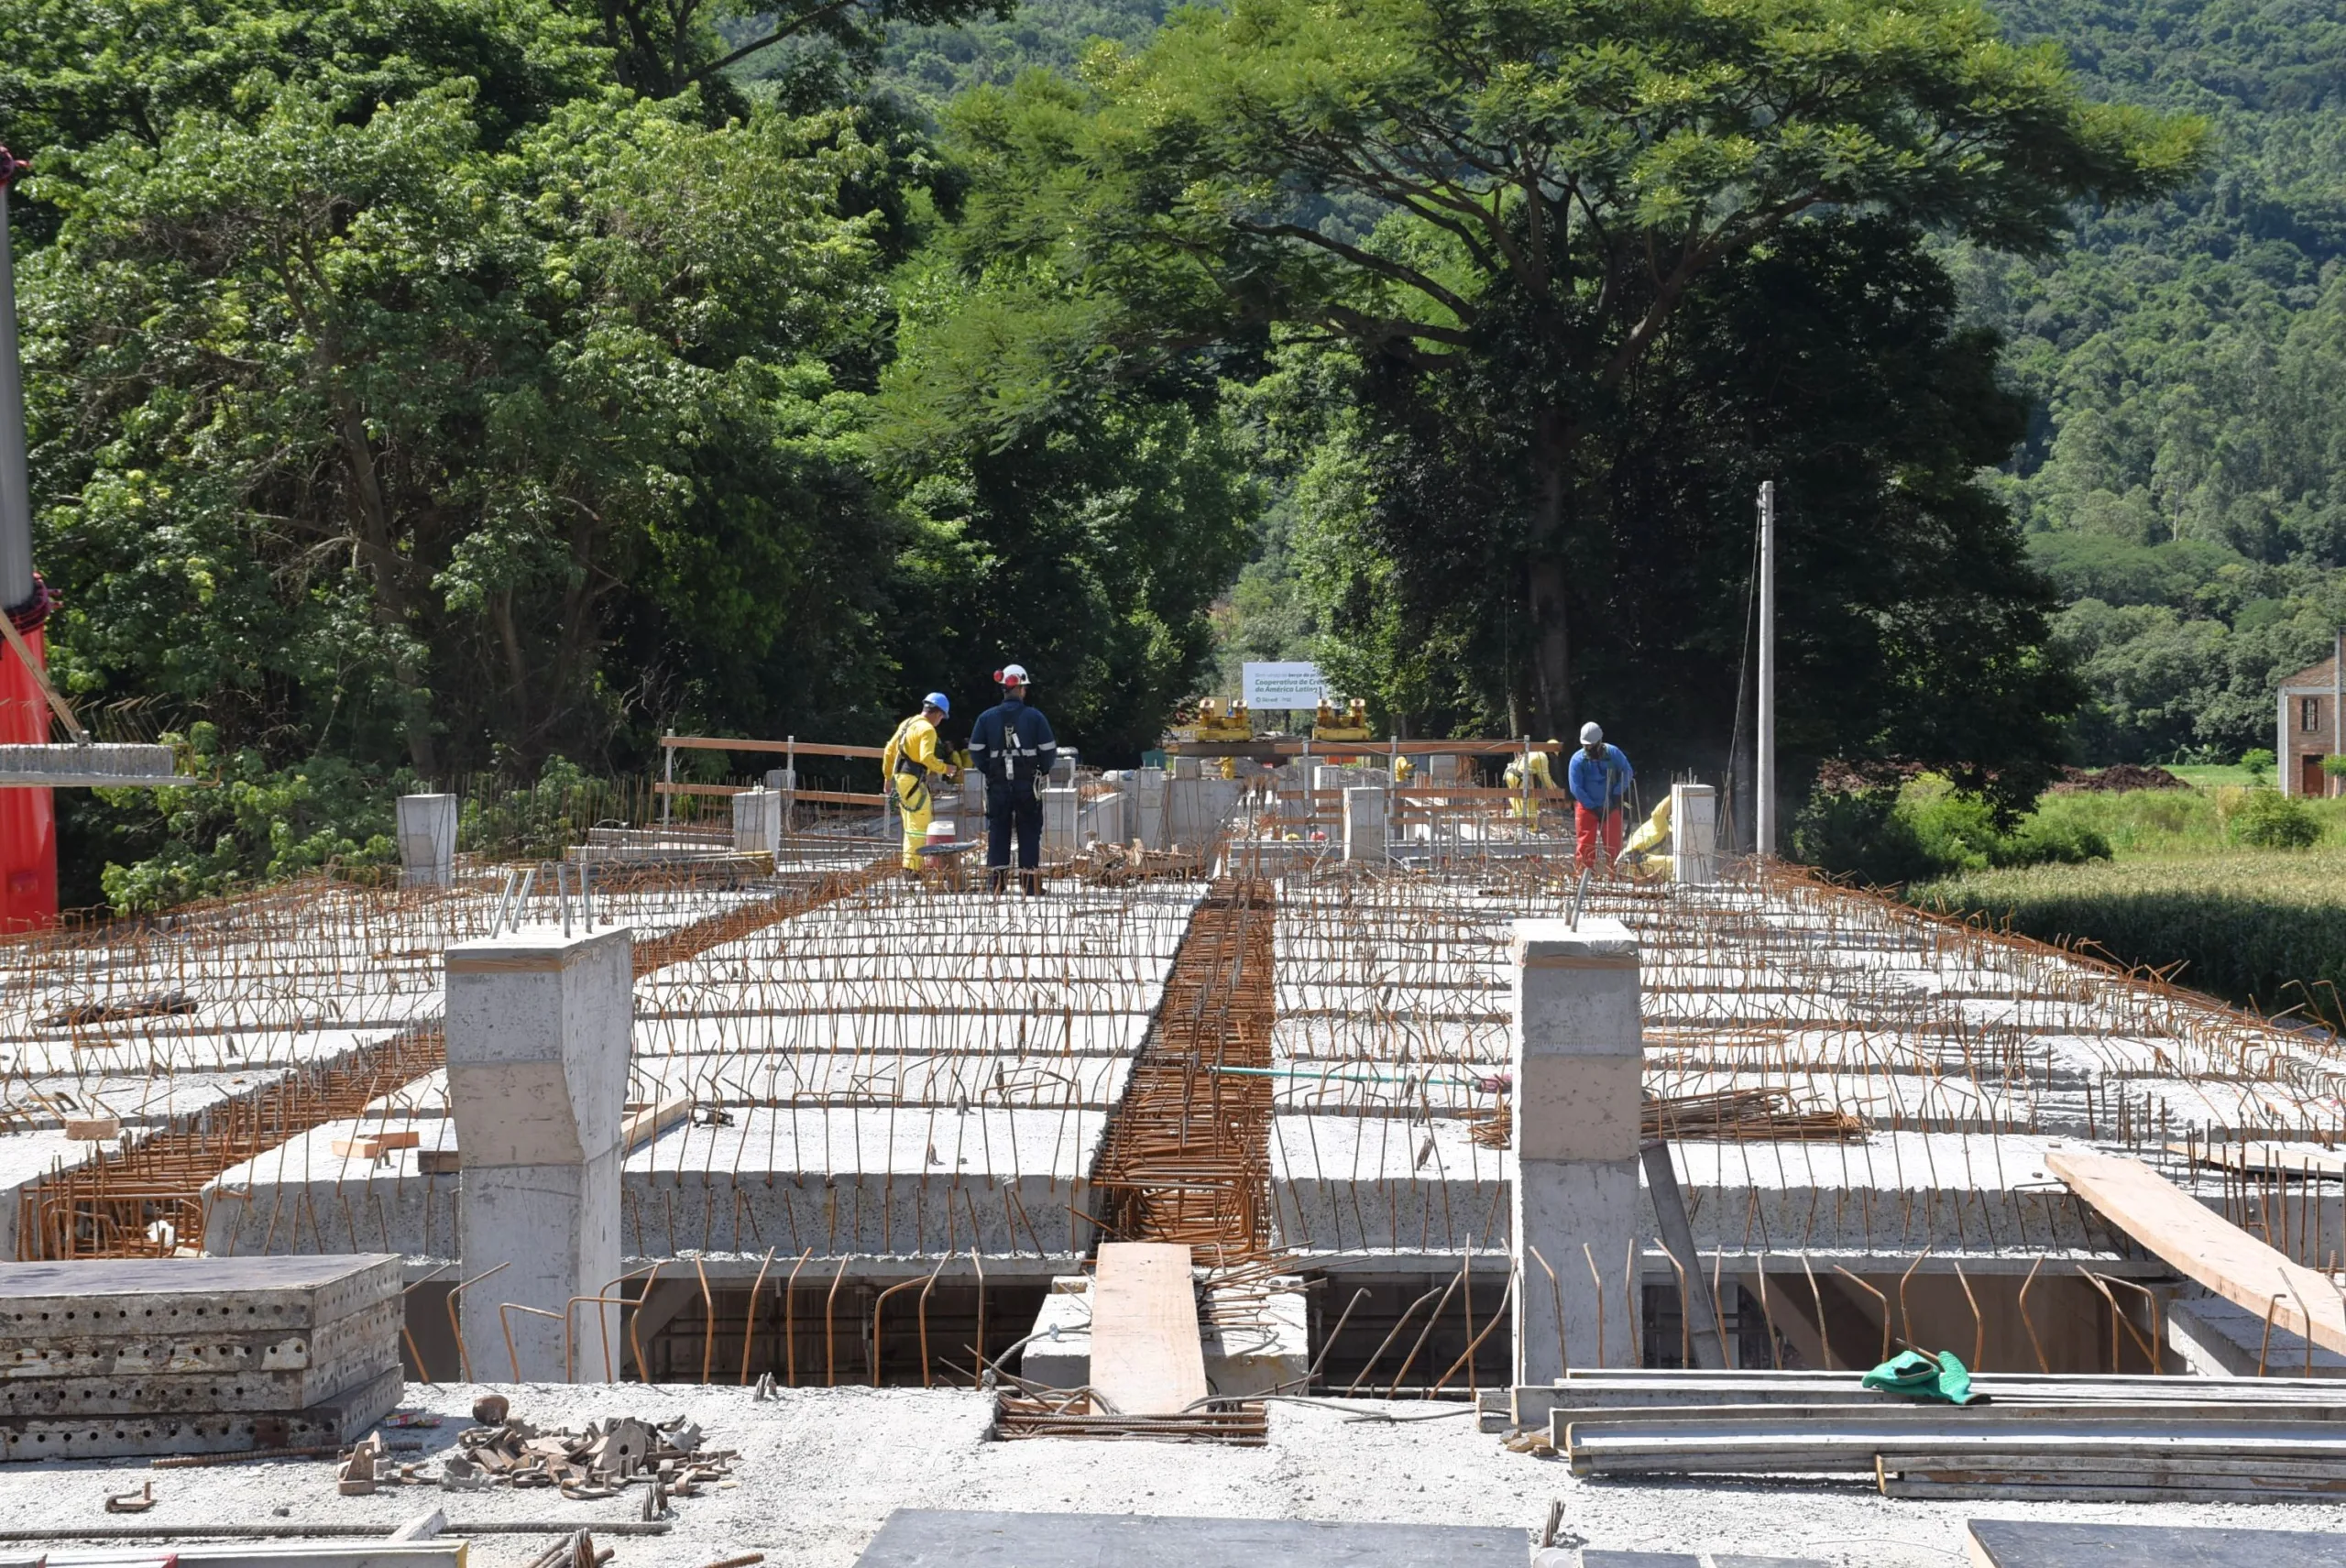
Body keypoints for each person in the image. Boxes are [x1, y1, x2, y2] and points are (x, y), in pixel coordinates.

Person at [968, 663, 1058, 894]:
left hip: (998, 784)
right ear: (1021, 689)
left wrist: (989, 769)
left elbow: (976, 750)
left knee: (998, 829)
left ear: (1004, 689)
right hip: (1027, 784)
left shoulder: (986, 718)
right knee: (1028, 829)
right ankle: (1030, 885)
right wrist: (1042, 770)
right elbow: (1048, 750)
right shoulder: (1035, 717)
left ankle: (996, 884)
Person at [882, 692, 957, 875]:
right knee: (920, 826)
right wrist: (945, 768)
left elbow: (889, 750)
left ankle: (910, 866)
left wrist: (887, 778)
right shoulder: (928, 729)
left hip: (901, 779)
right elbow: (926, 758)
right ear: (938, 714)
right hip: (913, 780)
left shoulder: (907, 724)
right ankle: (913, 869)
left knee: (910, 826)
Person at [1567, 721, 1634, 877]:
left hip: (1610, 805)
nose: (1589, 749)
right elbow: (1575, 787)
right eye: (1586, 746)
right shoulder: (1577, 760)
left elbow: (1627, 771)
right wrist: (1591, 805)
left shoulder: (1613, 753)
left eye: (1592, 746)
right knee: (1585, 844)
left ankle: (1614, 876)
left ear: (1599, 742)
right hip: (1587, 806)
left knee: (1614, 844)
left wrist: (1617, 792)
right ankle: (1585, 876)